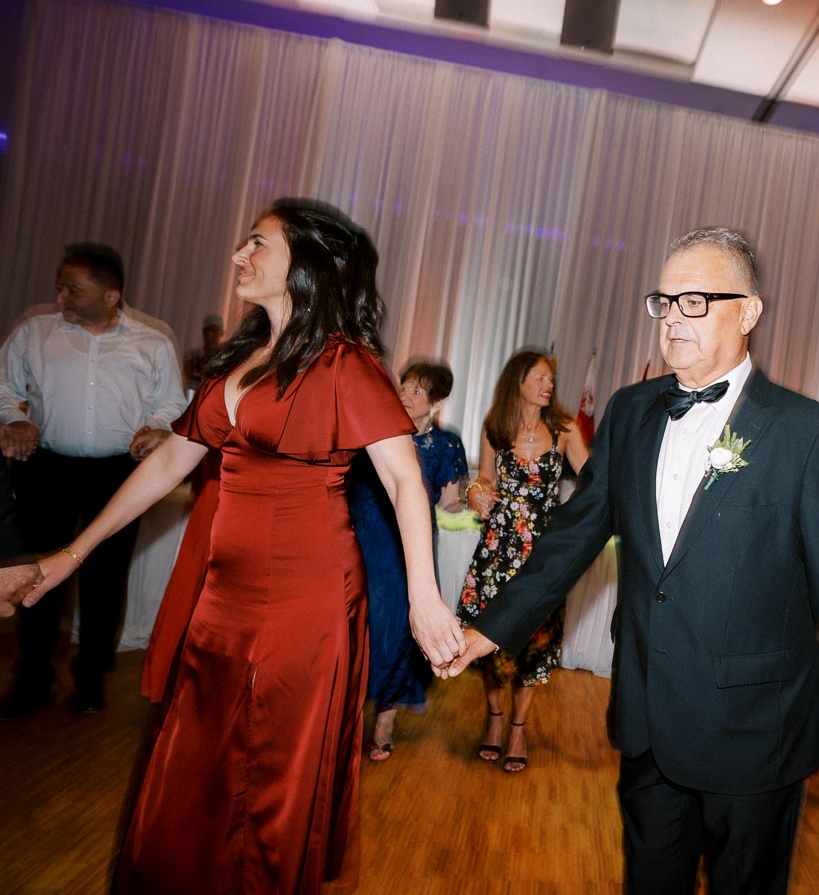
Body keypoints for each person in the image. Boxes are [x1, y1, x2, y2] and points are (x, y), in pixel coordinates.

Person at [0, 198, 464, 893]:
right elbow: (167, 463)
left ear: (305, 263)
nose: (239, 255)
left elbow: (403, 480)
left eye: (258, 243)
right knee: (194, 760)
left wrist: (426, 601)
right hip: (223, 598)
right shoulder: (238, 359)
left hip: (308, 601)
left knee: (272, 777)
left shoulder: (346, 364)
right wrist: (69, 553)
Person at [442, 227, 819, 893]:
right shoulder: (628, 411)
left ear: (750, 311)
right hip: (648, 720)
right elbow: (574, 532)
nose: (675, 317)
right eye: (666, 301)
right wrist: (491, 624)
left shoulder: (809, 432)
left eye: (697, 300)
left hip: (754, 732)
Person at [0, 242, 186, 716]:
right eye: (60, 286)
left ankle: (91, 682)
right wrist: (15, 420)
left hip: (117, 472)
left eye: (73, 289)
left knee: (106, 577)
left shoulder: (153, 341)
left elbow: (171, 403)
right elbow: (3, 388)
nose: (61, 297)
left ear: (110, 294)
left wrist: (158, 428)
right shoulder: (33, 333)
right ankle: (31, 681)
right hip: (49, 468)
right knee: (38, 574)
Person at [456, 350, 588, 772]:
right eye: (540, 377)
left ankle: (518, 726)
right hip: (498, 548)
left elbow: (593, 481)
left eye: (551, 378)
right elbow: (485, 480)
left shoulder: (564, 429)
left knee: (536, 642)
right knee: (489, 636)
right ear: (518, 382)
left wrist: (575, 524)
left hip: (544, 555)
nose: (549, 384)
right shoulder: (496, 427)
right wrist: (475, 491)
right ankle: (494, 721)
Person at [350, 360, 468, 761]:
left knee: (399, 632)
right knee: (357, 626)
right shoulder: (376, 431)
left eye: (417, 391)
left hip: (409, 550)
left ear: (436, 403)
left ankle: (383, 724)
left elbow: (450, 502)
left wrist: (477, 500)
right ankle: (343, 718)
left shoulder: (448, 445)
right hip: (363, 541)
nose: (404, 395)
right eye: (403, 387)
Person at [183, 313, 224, 390]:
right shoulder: (192, 355)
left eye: (214, 331)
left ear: (221, 333)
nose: (210, 335)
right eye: (207, 331)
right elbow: (184, 377)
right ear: (203, 332)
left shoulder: (224, 358)